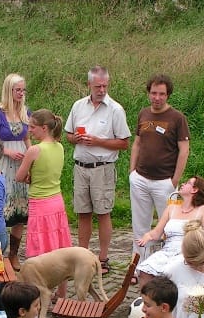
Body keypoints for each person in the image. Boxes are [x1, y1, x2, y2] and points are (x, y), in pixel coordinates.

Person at [65, 65, 131, 275]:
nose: (101, 90)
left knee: (103, 212)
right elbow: (67, 136)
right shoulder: (78, 106)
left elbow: (124, 143)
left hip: (102, 168)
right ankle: (82, 257)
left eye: (104, 86)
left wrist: (98, 141)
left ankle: (103, 258)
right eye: (97, 86)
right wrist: (75, 138)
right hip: (80, 166)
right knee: (83, 212)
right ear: (89, 85)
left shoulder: (115, 109)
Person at [129, 74, 190, 264]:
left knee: (169, 226)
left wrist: (174, 180)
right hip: (140, 179)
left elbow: (184, 150)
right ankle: (138, 265)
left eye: (161, 94)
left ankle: (168, 264)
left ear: (168, 95)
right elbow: (137, 143)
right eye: (154, 93)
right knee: (140, 226)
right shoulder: (143, 114)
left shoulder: (177, 118)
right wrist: (132, 172)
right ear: (149, 93)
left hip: (164, 181)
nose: (157, 98)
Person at [15, 109, 72, 297]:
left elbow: (19, 176)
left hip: (40, 203)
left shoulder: (35, 150)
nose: (29, 130)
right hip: (57, 200)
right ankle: (61, 292)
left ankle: (37, 292)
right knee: (59, 247)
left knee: (40, 250)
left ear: (44, 128)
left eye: (32, 127)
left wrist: (30, 178)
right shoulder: (60, 147)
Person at [135, 175, 204, 288]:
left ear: (194, 190)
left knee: (170, 271)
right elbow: (157, 232)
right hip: (167, 251)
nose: (182, 184)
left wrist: (195, 233)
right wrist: (148, 235)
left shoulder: (203, 210)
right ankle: (151, 303)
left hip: (189, 252)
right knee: (145, 271)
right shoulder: (171, 208)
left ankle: (172, 301)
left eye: (187, 183)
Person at [0, 73, 31, 271]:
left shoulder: (25, 112)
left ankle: (13, 254)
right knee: (1, 208)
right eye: (17, 90)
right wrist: (6, 151)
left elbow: (28, 138)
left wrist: (30, 155)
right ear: (9, 91)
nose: (21, 93)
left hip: (20, 163)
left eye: (23, 90)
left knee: (20, 211)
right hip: (2, 162)